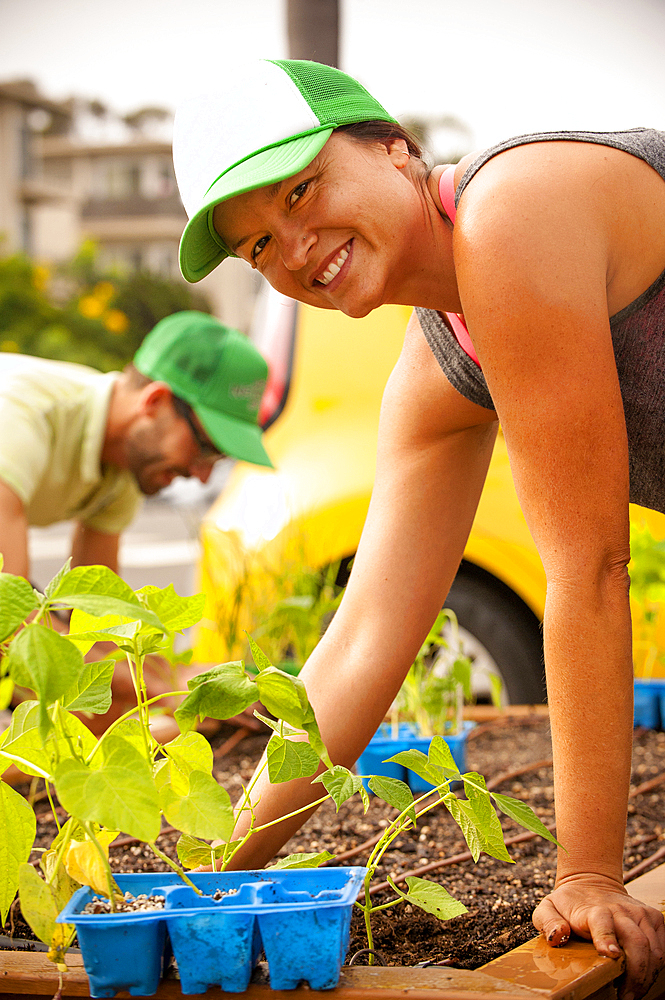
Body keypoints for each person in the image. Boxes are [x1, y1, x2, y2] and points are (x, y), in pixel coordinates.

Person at [172, 60, 665, 996]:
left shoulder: (516, 207)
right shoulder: (443, 360)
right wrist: (207, 878)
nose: (292, 247)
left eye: (301, 190)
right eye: (257, 246)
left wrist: (591, 877)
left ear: (393, 149)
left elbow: (587, 566)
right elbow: (362, 643)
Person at [0, 310, 272, 730]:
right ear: (156, 401)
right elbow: (9, 625)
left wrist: (185, 683)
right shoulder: (20, 417)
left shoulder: (125, 466)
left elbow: (96, 625)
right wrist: (167, 694)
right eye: (204, 447)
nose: (202, 475)